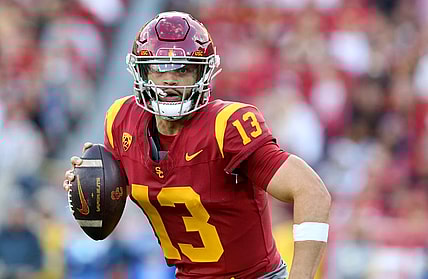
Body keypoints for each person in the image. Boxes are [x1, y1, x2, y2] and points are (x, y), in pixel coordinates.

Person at [63, 11, 331, 279]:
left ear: (202, 73)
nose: (169, 79)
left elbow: (312, 192)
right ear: (142, 71)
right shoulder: (122, 120)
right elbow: (109, 196)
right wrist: (87, 184)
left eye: (183, 68)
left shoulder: (226, 126)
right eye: (159, 67)